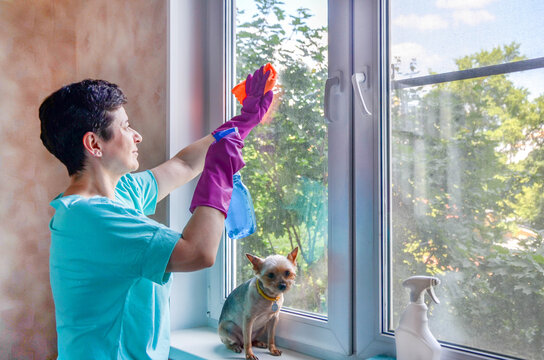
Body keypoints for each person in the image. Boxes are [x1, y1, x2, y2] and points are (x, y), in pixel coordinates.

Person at [39, 66, 273, 359]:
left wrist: (243, 122)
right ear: (94, 144)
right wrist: (220, 174)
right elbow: (198, 252)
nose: (136, 136)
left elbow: (185, 164)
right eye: (125, 126)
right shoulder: (92, 219)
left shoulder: (118, 192)